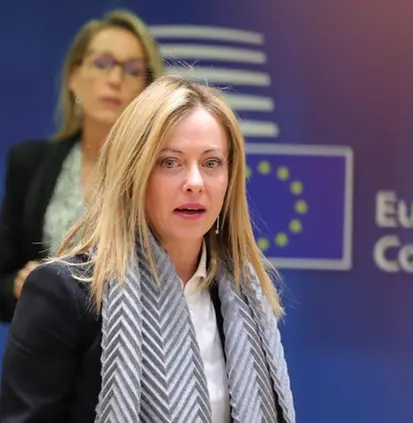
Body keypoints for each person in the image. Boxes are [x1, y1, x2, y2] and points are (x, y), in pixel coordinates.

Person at [0, 75, 296, 423]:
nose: (195, 183)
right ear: (133, 174)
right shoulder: (63, 293)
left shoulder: (244, 296)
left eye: (212, 163)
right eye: (170, 162)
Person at [0, 9, 164, 322]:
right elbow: (2, 279)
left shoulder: (163, 171)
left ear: (147, 90)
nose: (115, 79)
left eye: (132, 70)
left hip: (140, 357)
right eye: (102, 64)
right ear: (74, 76)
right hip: (46, 355)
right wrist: (21, 286)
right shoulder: (29, 163)